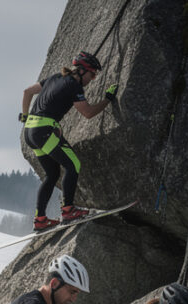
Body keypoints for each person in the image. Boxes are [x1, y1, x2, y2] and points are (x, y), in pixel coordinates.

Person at [20, 51, 118, 231]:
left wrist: (25, 116)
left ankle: (40, 219)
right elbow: (88, 113)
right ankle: (68, 210)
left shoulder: (55, 77)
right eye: (92, 74)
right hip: (43, 131)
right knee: (73, 164)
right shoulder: (74, 86)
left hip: (30, 132)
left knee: (52, 175)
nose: (93, 78)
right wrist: (107, 100)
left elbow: (27, 92)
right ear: (81, 71)